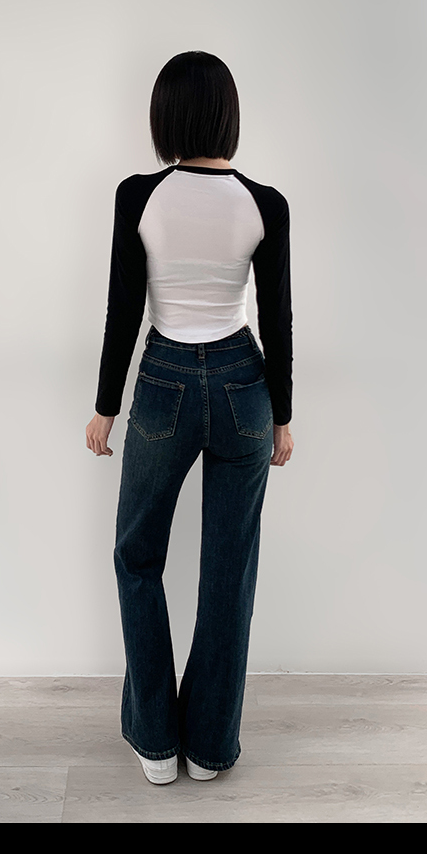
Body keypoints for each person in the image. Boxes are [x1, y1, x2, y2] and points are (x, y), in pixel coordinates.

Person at [86, 42, 293, 784]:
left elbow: (123, 308)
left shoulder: (138, 195)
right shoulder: (265, 202)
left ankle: (155, 742)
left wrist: (106, 407)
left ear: (165, 116)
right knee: (229, 570)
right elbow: (277, 317)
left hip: (164, 383)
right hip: (244, 385)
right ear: (228, 115)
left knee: (137, 556)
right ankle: (208, 747)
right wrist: (283, 415)